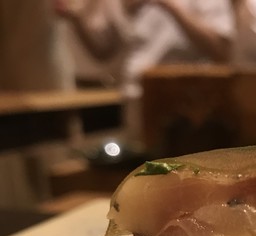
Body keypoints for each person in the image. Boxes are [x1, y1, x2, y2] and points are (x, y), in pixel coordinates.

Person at [55, 0, 235, 140]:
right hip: (133, 98)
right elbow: (103, 51)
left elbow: (220, 49)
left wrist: (169, 5)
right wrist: (76, 18)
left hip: (183, 105)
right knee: (138, 170)